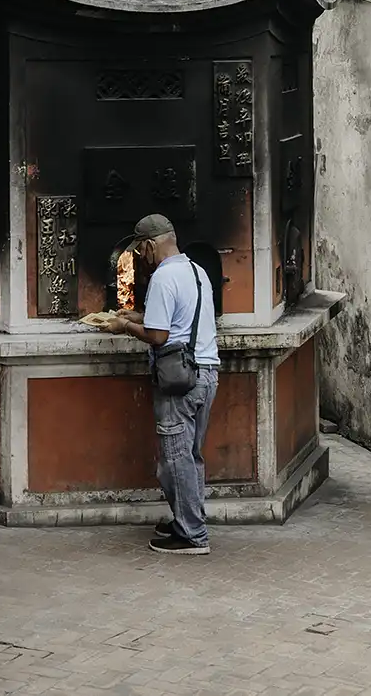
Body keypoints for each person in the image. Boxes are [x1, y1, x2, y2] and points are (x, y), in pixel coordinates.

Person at [101, 213, 220, 556]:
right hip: (207, 373)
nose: (141, 257)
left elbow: (158, 335)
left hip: (179, 380)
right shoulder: (196, 272)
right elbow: (177, 318)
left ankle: (192, 535)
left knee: (174, 459)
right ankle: (188, 519)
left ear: (151, 245)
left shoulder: (163, 277)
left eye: (141, 251)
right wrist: (131, 316)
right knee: (190, 456)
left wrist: (122, 327)